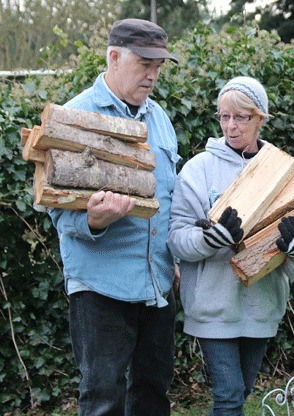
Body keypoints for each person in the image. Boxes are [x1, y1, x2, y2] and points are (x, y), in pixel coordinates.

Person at [167, 76, 294, 415]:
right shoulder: (198, 171)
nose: (231, 126)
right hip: (212, 308)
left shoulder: (284, 172)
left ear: (261, 118)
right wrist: (208, 240)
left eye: (241, 117)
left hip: (260, 309)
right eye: (224, 117)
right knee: (229, 397)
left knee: (242, 392)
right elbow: (177, 239)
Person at [48, 18, 180, 415]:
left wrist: (173, 257)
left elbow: (170, 198)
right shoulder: (73, 118)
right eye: (144, 65)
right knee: (103, 398)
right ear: (114, 57)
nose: (153, 76)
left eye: (158, 67)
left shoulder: (160, 119)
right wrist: (94, 221)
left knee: (153, 393)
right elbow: (58, 213)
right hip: (100, 289)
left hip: (157, 283)